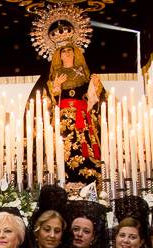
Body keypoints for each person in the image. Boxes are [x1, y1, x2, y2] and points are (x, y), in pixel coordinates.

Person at [47, 43, 103, 186]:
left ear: (74, 53)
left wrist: (95, 85)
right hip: (64, 117)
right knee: (63, 146)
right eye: (63, 51)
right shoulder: (55, 74)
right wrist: (55, 86)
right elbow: (51, 99)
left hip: (81, 117)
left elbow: (90, 98)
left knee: (84, 145)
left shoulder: (83, 74)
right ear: (59, 56)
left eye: (69, 50)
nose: (67, 53)